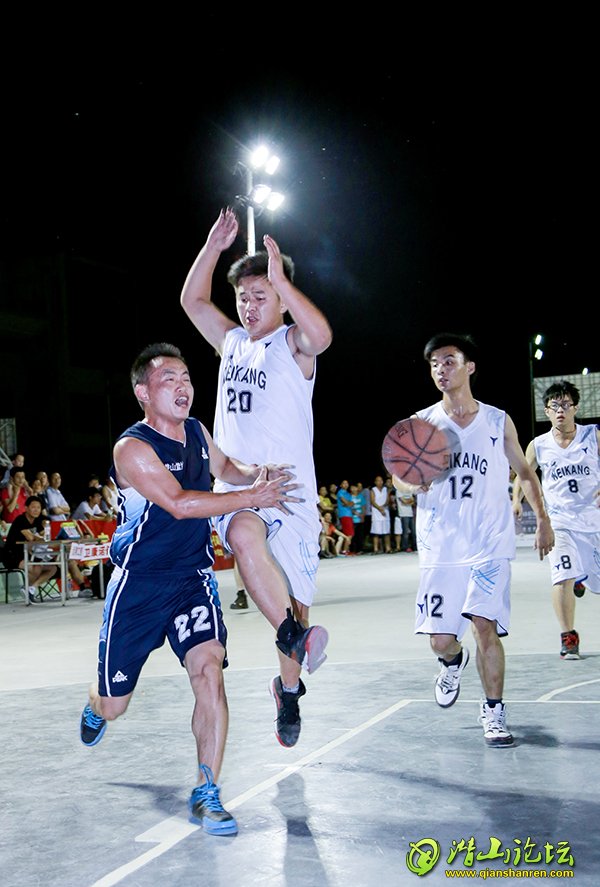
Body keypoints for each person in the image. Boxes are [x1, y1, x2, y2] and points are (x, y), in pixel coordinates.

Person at [79, 342, 301, 837]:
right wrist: (252, 497)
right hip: (139, 586)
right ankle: (95, 702)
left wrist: (257, 474)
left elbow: (227, 469)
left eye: (186, 377)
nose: (183, 386)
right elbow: (179, 503)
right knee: (114, 705)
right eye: (169, 379)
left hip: (191, 580)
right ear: (143, 393)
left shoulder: (197, 431)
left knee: (208, 671)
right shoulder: (132, 449)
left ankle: (207, 791)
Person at [180, 206, 332, 749]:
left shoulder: (293, 345)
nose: (248, 305)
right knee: (244, 534)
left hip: (293, 495)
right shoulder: (231, 343)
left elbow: (322, 335)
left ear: (280, 296)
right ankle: (293, 635)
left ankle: (287, 690)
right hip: (241, 488)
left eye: (260, 295)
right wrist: (211, 248)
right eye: (243, 297)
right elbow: (193, 301)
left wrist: (282, 281)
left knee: (297, 603)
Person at [393, 332, 554, 748]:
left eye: (449, 361)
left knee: (485, 627)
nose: (440, 370)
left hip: (489, 544)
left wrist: (543, 519)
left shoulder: (497, 421)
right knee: (440, 641)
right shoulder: (422, 423)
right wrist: (413, 485)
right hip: (441, 547)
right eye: (434, 364)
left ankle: (494, 711)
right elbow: (399, 477)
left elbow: (525, 472)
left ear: (470, 367)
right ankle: (452, 661)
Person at [512, 380, 600, 660]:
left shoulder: (593, 436)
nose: (560, 410)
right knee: (562, 576)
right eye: (554, 406)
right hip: (560, 523)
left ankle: (582, 577)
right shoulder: (538, 445)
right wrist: (516, 500)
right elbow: (524, 474)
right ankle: (568, 637)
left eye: (565, 404)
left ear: (575, 408)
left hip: (594, 522)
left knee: (594, 582)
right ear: (547, 411)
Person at [1, 495, 57, 602]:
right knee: (36, 568)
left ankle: (31, 588)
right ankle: (26, 588)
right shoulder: (20, 520)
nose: (36, 510)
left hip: (28, 554)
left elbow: (45, 536)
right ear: (26, 508)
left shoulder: (37, 521)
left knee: (52, 568)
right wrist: (40, 536)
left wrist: (45, 529)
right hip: (12, 555)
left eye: (38, 508)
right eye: (33, 507)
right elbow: (30, 537)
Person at [370, 475, 391, 554]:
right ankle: (375, 549)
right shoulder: (373, 490)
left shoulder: (386, 489)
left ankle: (388, 548)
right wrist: (380, 508)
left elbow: (387, 500)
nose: (380, 482)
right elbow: (372, 501)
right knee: (376, 531)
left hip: (385, 511)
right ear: (375, 482)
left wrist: (383, 507)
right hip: (376, 512)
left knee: (386, 531)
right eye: (378, 480)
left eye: (381, 480)